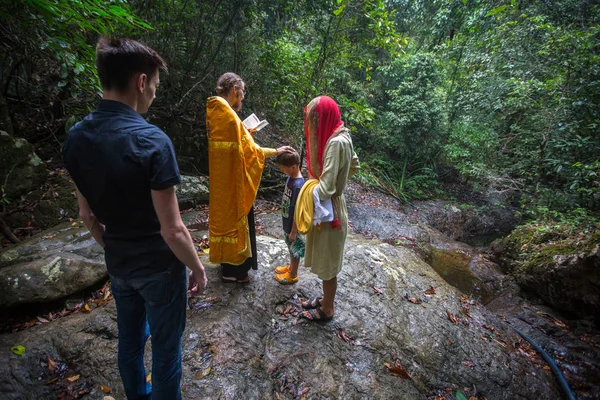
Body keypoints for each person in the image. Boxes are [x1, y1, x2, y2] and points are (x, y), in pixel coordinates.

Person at [62, 37, 207, 400]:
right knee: (166, 350)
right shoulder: (152, 142)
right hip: (160, 267)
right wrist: (198, 268)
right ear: (141, 82)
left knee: (128, 344)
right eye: (154, 87)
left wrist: (115, 247)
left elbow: (87, 215)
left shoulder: (75, 139)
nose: (154, 96)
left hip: (120, 264)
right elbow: (172, 230)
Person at [205, 72, 285, 283]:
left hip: (221, 181)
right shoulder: (230, 116)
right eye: (242, 93)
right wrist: (276, 151)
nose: (243, 98)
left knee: (224, 219)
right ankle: (236, 272)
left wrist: (245, 132)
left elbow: (233, 145)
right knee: (237, 220)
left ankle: (225, 264)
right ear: (234, 90)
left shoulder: (215, 111)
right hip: (234, 183)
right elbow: (251, 152)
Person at [299, 95, 360, 321]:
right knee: (328, 258)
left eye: (316, 118)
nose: (313, 123)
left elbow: (325, 188)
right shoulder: (342, 133)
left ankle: (328, 309)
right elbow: (355, 164)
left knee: (328, 264)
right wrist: (341, 180)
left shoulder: (334, 143)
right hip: (336, 205)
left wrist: (306, 192)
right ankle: (326, 299)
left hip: (329, 209)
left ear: (324, 116)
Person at [274, 147, 305, 285]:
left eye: (283, 169)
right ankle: (291, 267)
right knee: (290, 246)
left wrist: (294, 230)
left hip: (294, 225)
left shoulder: (298, 185)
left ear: (293, 167)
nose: (282, 171)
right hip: (287, 220)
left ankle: (293, 274)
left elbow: (298, 211)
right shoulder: (291, 177)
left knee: (294, 250)